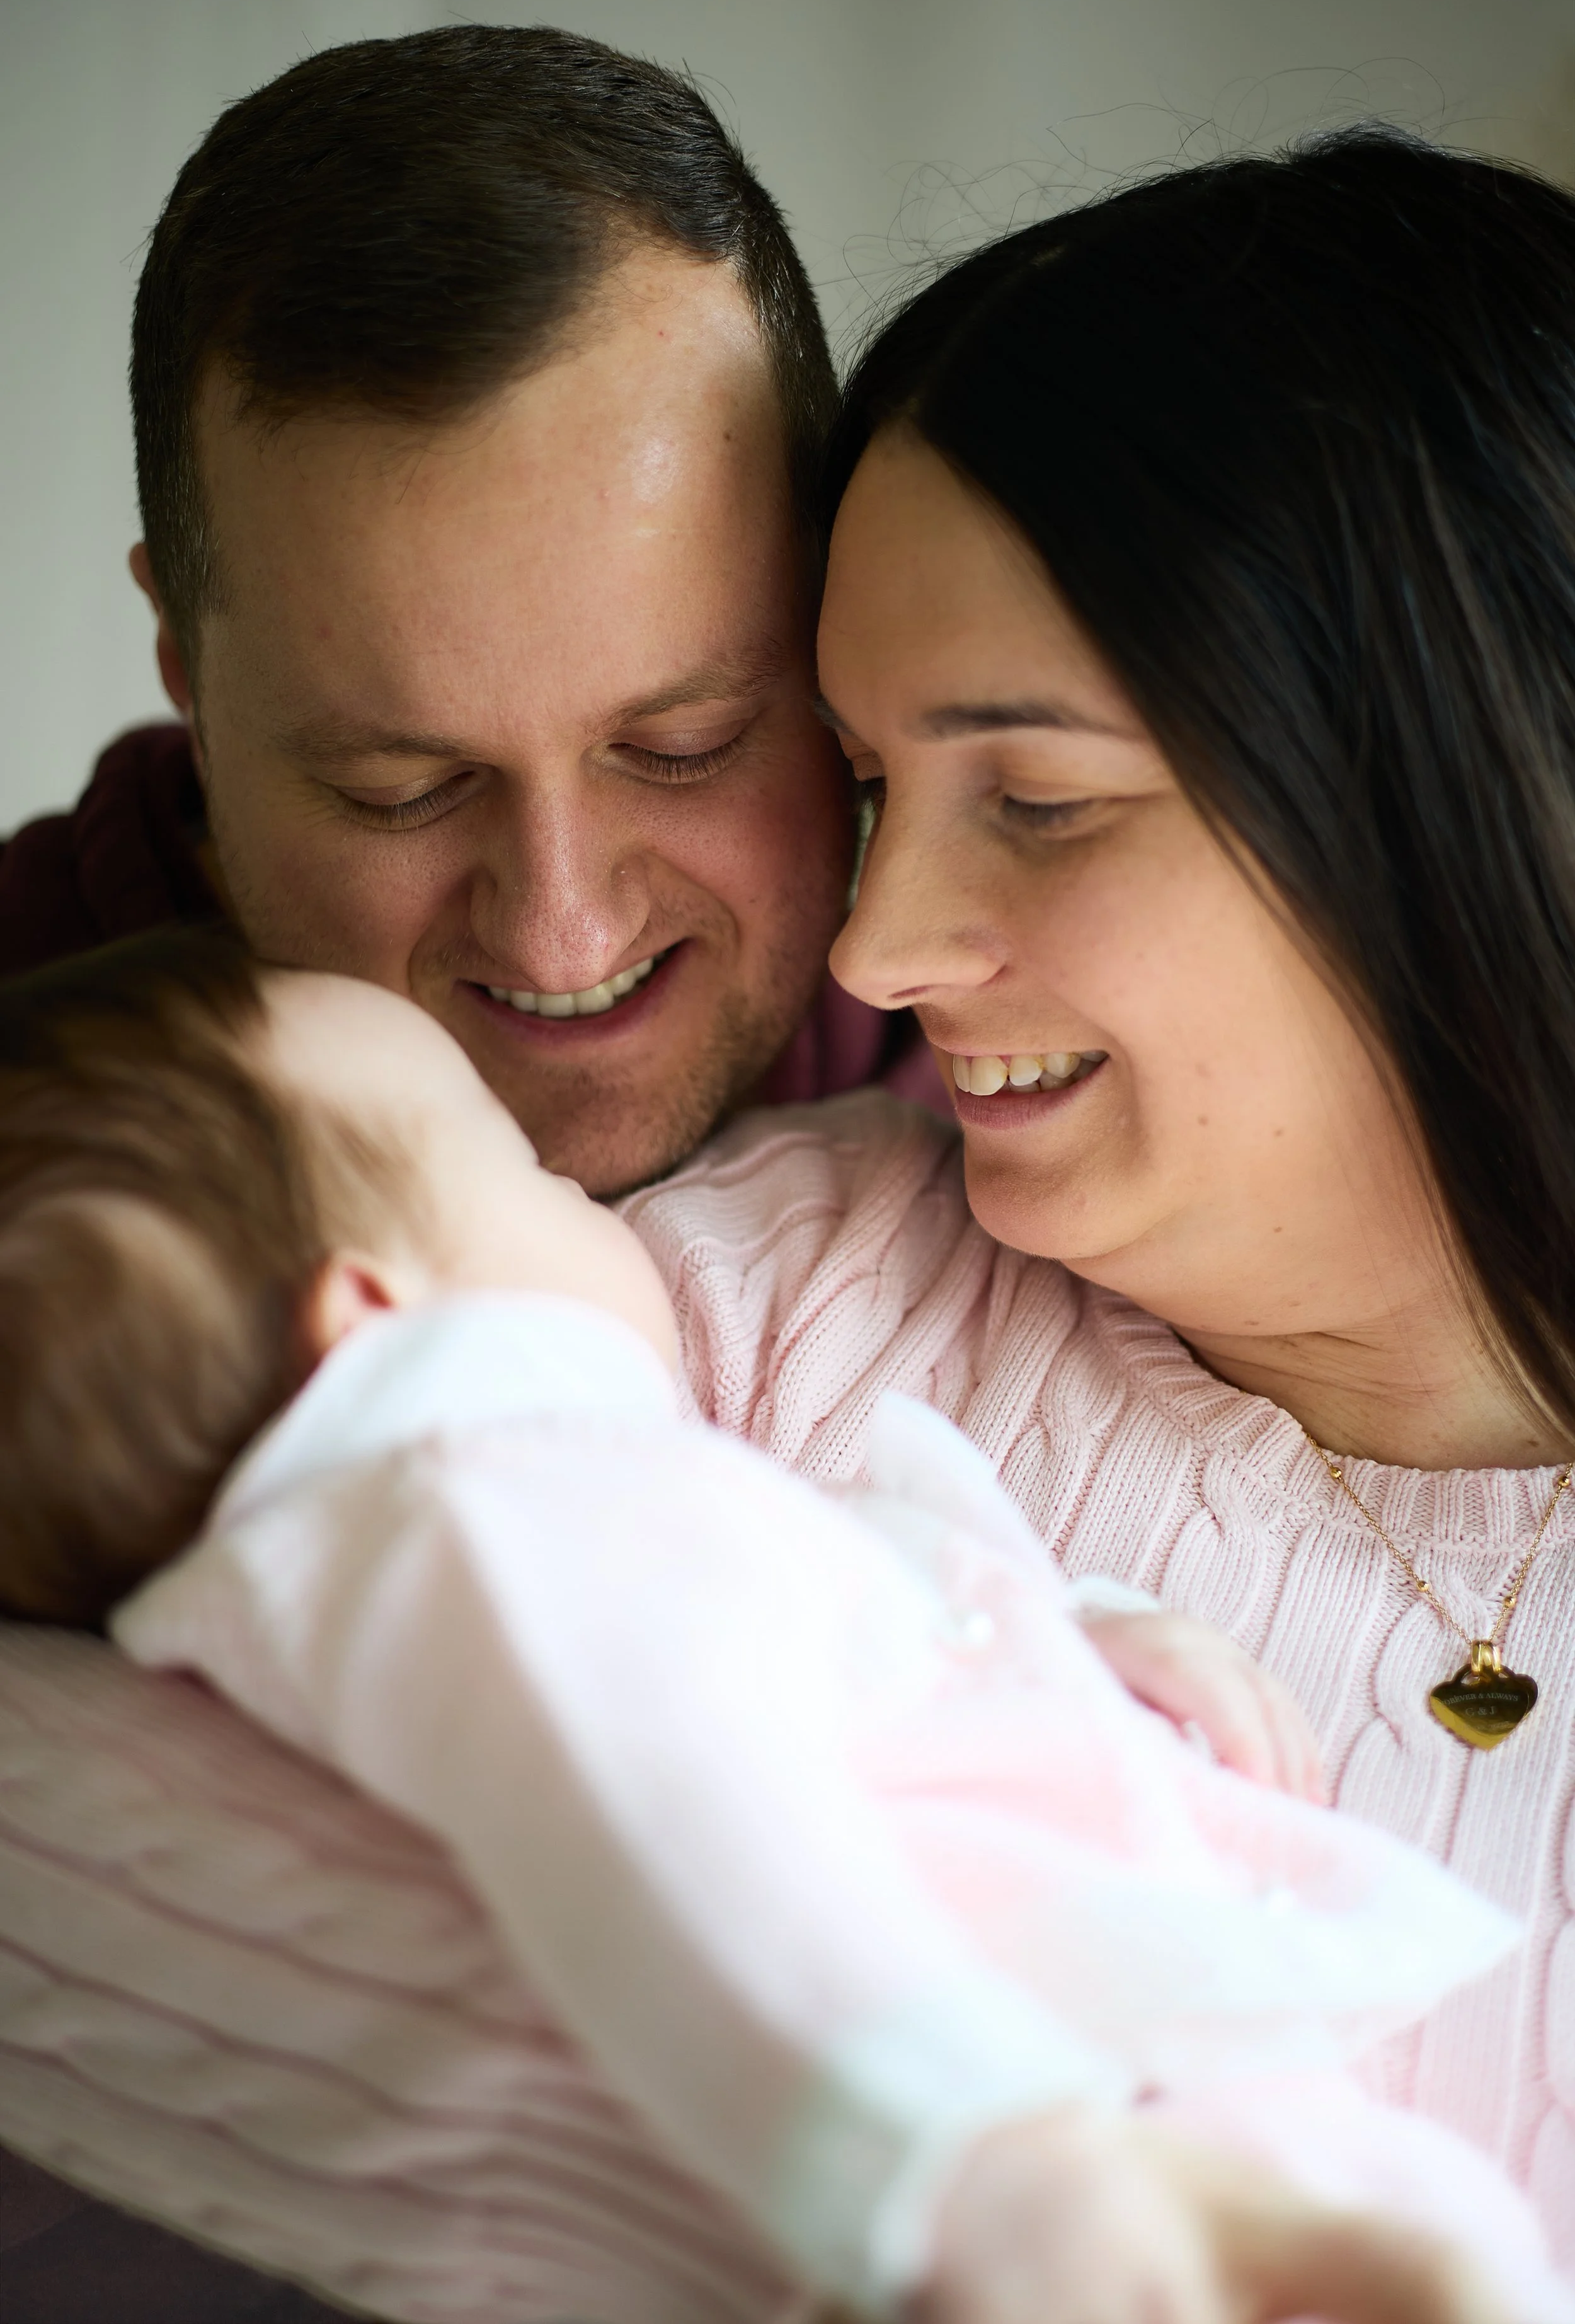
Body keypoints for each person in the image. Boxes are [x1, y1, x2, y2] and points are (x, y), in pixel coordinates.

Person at [0, 925, 1560, 2324]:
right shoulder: (474, 1503)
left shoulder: (499, 1532)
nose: (601, 1206)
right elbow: (682, 1808)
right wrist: (979, 2159)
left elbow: (813, 1636)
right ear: (376, 1316)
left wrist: (1070, 1643)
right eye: (524, 1177)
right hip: (1047, 2121)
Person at [609, 127, 1575, 2273]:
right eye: (871, 791)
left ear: (1455, 773)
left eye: (1035, 803)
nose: (874, 950)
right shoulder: (723, 1349)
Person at [0, 23, 940, 1198]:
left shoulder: (1020, 1076)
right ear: (186, 669)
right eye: (401, 791)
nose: (565, 933)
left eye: (680, 749)